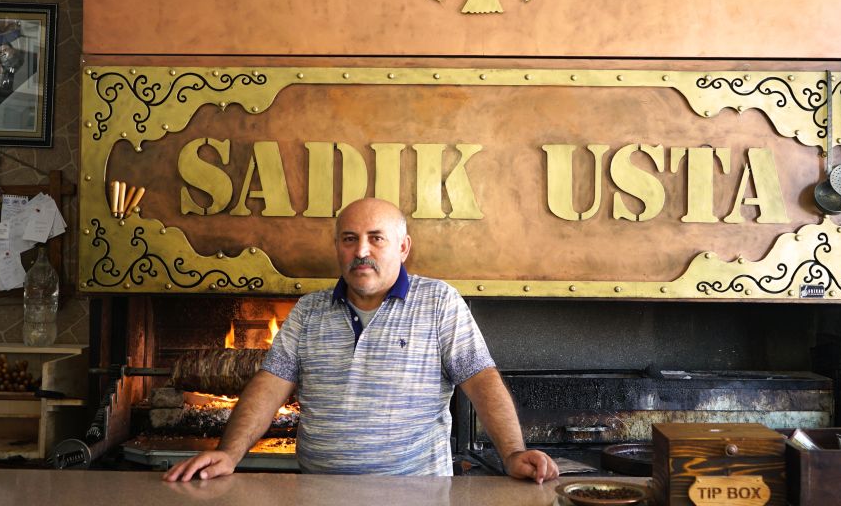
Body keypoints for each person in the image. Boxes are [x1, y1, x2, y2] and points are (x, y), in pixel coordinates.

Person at [164, 197, 558, 482]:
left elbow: (481, 380)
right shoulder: (308, 311)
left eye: (376, 238)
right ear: (337, 246)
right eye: (349, 239)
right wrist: (229, 453)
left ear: (403, 247)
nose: (361, 251)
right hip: (318, 492)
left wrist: (513, 453)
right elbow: (269, 386)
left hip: (416, 494)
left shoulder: (439, 302)